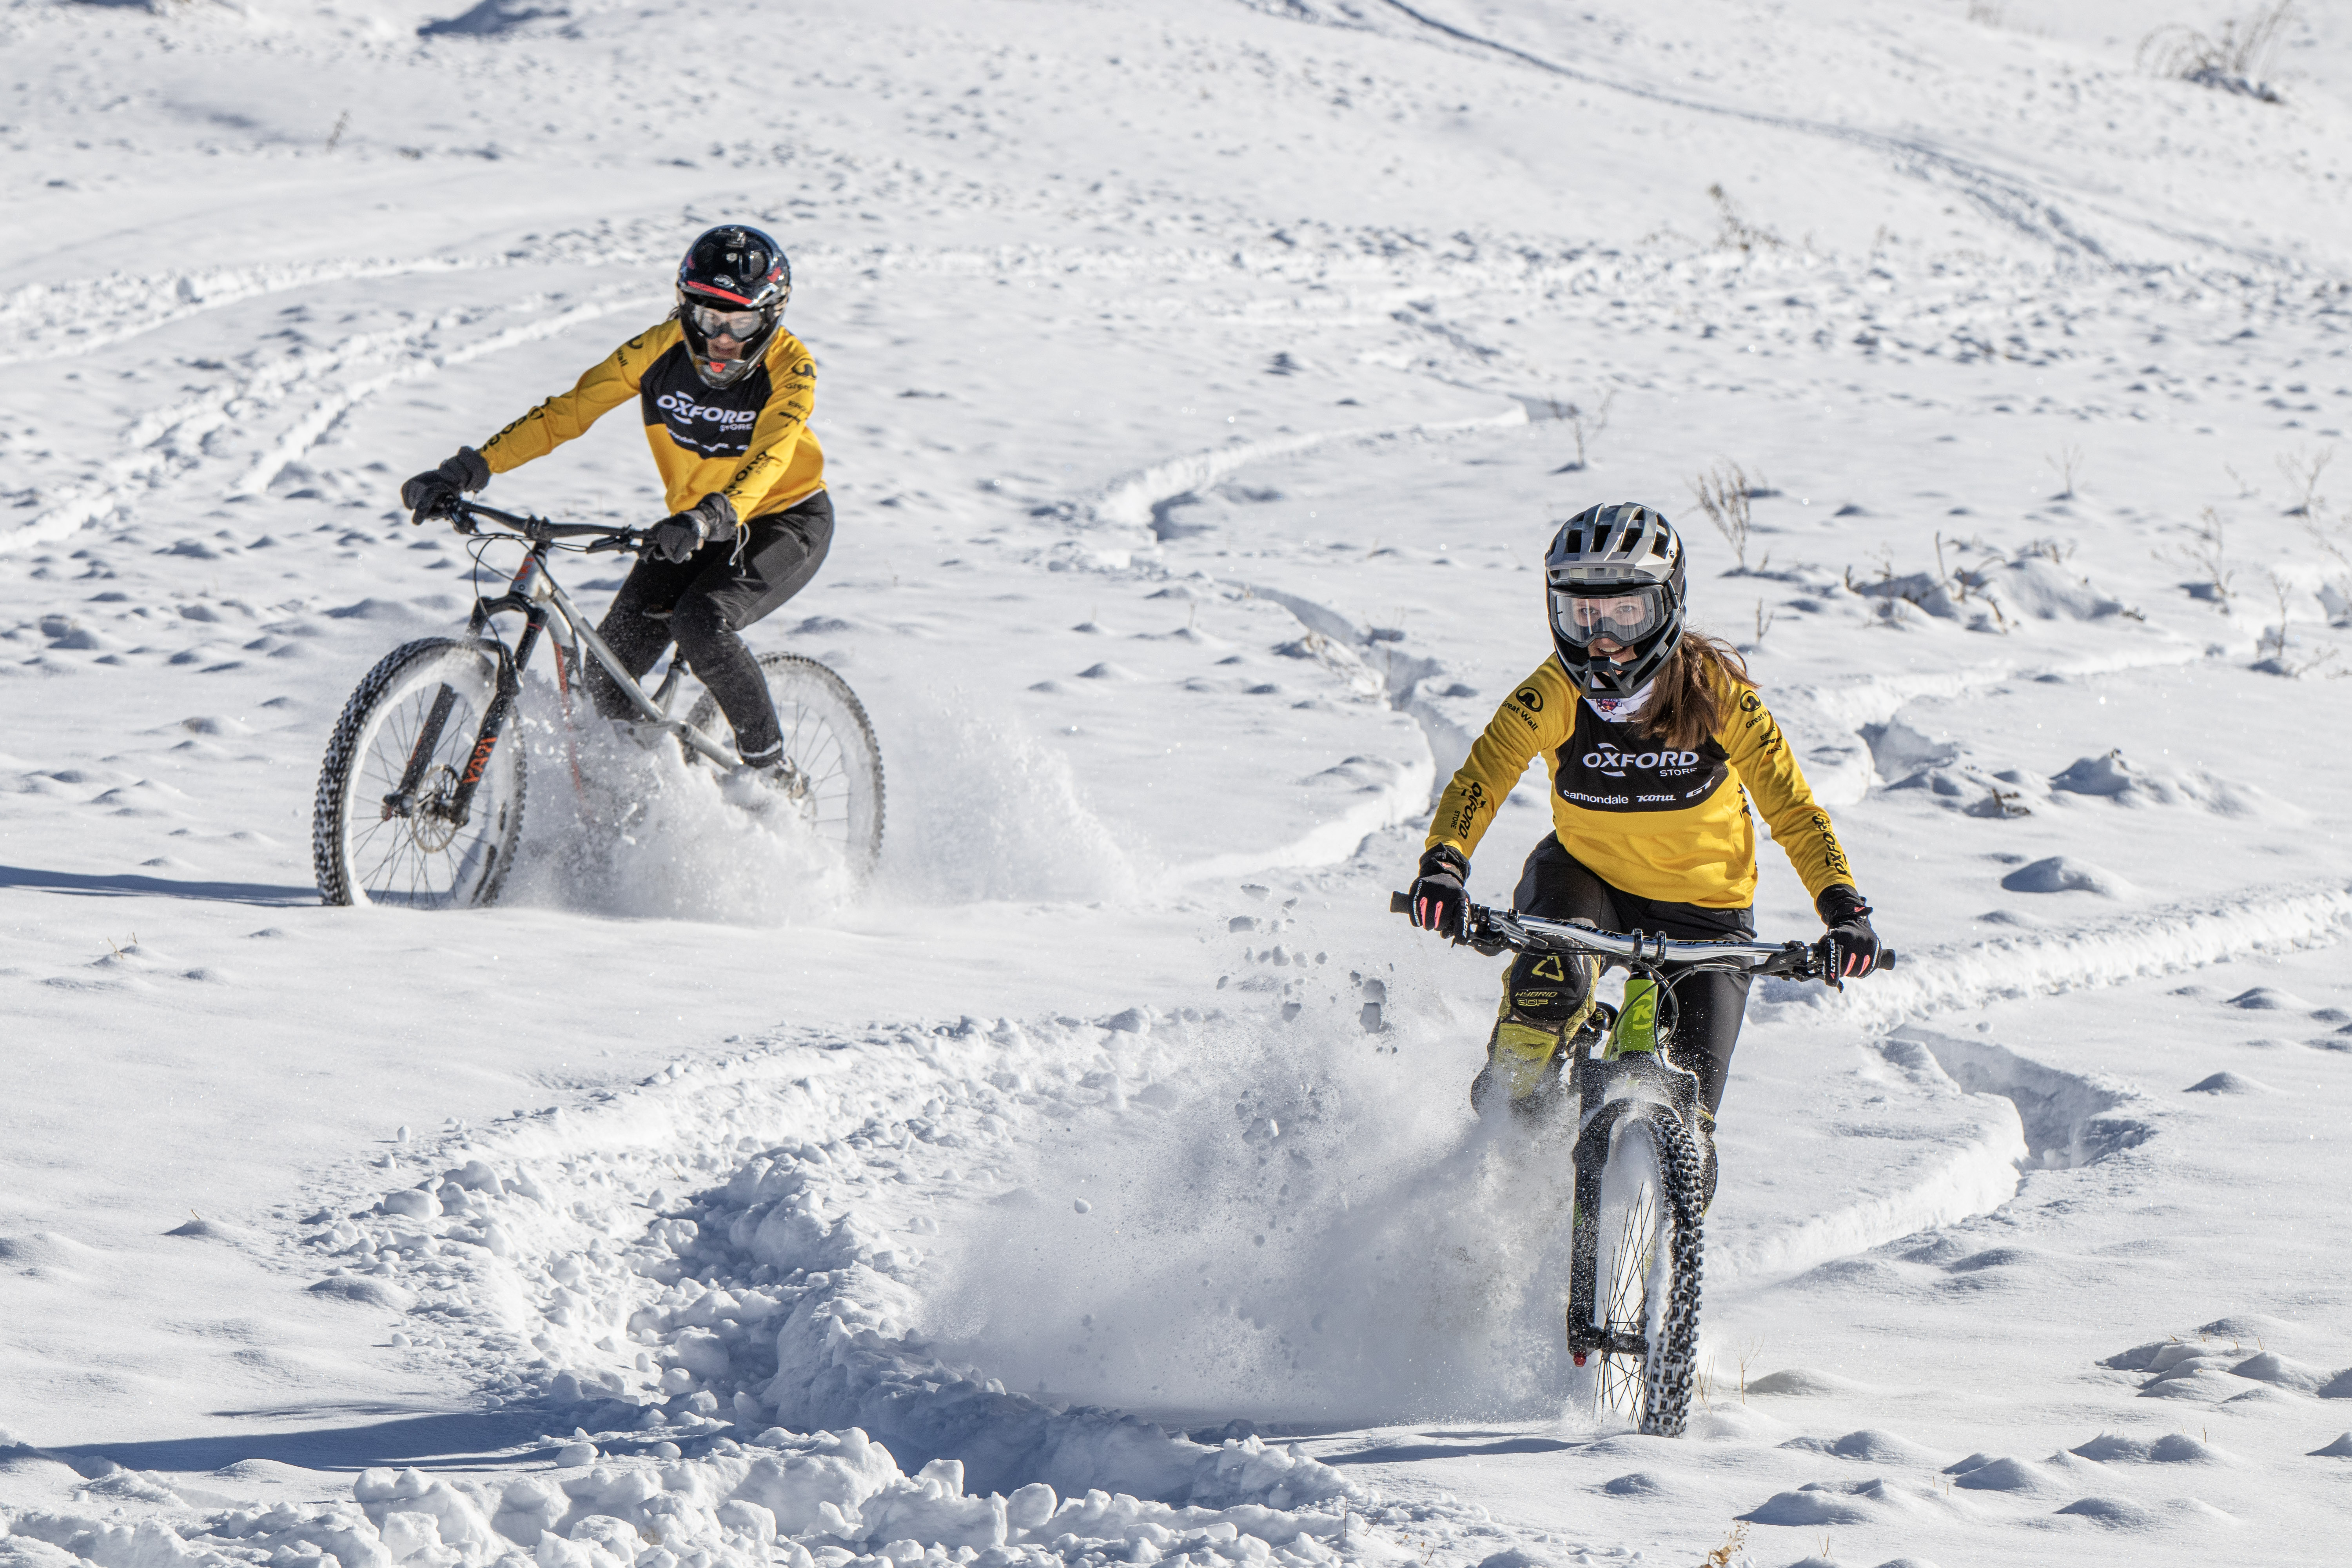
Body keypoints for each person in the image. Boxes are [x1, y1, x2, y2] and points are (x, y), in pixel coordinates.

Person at [1404, 502, 1881, 1193]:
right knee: (1547, 991)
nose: (1602, 641)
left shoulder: (1719, 697)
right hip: (1586, 881)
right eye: (1581, 616)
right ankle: (1500, 1145)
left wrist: (1843, 909)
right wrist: (1444, 865)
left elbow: (1794, 810)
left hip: (1706, 913)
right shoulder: (1556, 691)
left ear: (1669, 606)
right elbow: (1486, 773)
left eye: (1625, 614)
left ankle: (1655, 1269)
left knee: (1692, 1139)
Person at [399, 224, 829, 787]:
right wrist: (469, 470)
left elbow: (769, 460)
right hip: (691, 525)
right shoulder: (659, 348)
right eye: (708, 318)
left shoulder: (792, 369)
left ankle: (774, 776)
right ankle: (652, 794)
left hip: (782, 521)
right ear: (685, 308)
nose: (722, 338)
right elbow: (567, 413)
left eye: (741, 322)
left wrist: (707, 518)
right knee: (608, 680)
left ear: (771, 317)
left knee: (701, 622)